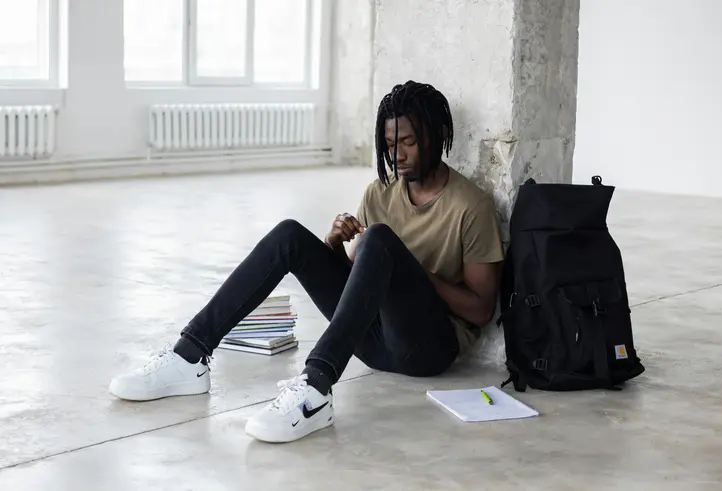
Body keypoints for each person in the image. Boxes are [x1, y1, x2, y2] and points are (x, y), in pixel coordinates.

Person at [109, 80, 504, 443]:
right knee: (289, 235)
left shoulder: (471, 206)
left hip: (427, 350)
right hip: (372, 342)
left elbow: (482, 309)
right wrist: (333, 245)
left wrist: (413, 269)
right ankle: (189, 355)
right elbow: (360, 287)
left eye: (409, 142)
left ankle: (315, 389)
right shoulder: (379, 194)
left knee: (380, 239)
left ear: (436, 137)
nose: (396, 154)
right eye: (389, 143)